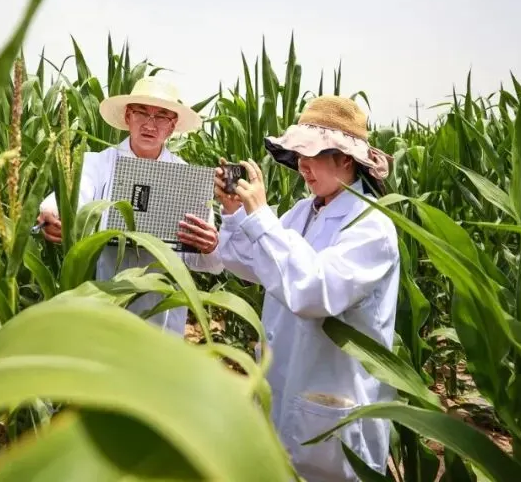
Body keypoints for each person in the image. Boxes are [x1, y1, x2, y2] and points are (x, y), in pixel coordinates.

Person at [210, 95, 400, 481]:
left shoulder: (371, 227)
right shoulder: (305, 209)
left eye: (311, 155)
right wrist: (233, 216)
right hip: (288, 385)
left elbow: (314, 291)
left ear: (345, 159)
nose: (302, 166)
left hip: (331, 401)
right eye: (298, 155)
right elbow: (261, 266)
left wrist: (262, 217)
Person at [37, 75, 223, 334]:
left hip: (163, 316)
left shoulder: (187, 179)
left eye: (161, 117)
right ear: (127, 117)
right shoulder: (97, 164)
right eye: (141, 113)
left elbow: (210, 264)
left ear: (172, 127)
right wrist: (54, 214)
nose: (150, 124)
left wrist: (210, 246)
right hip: (104, 301)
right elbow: (71, 197)